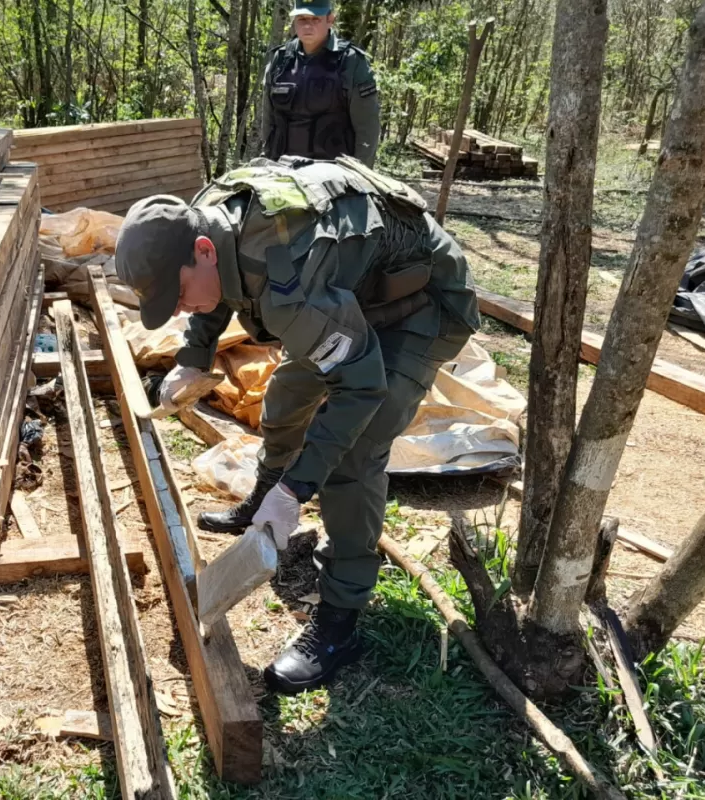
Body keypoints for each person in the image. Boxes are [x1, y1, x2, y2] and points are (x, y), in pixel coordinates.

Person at [115, 156, 479, 694]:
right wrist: (193, 355)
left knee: (355, 455)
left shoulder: (287, 274)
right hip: (352, 290)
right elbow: (215, 293)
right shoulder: (205, 220)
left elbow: (359, 388)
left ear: (203, 251)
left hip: (421, 304)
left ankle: (339, 621)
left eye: (179, 293)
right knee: (286, 396)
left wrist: (299, 487)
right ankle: (262, 498)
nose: (182, 308)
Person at [261, 1, 381, 166]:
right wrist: (266, 162)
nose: (308, 25)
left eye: (315, 19)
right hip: (282, 171)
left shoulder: (351, 62)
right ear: (294, 20)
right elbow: (268, 121)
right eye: (302, 19)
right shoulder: (280, 60)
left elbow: (367, 129)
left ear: (330, 19)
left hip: (333, 177)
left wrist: (360, 175)